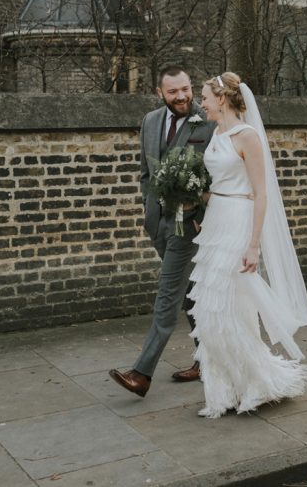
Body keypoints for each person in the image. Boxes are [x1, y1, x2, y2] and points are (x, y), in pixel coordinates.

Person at [189, 72, 307, 417]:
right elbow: (219, 182)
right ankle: (223, 390)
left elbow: (261, 194)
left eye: (205, 97)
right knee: (209, 311)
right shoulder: (216, 133)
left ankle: (257, 383)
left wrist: (254, 244)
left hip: (240, 221)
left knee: (232, 309)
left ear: (222, 99)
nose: (202, 103)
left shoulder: (248, 136)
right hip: (216, 219)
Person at [109, 65, 216, 398]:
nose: (182, 96)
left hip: (190, 226)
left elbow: (219, 174)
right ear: (161, 93)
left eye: (185, 89)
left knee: (167, 296)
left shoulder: (209, 123)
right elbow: (145, 173)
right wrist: (148, 208)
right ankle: (207, 360)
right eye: (173, 92)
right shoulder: (150, 122)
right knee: (188, 294)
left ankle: (142, 373)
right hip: (159, 223)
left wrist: (202, 212)